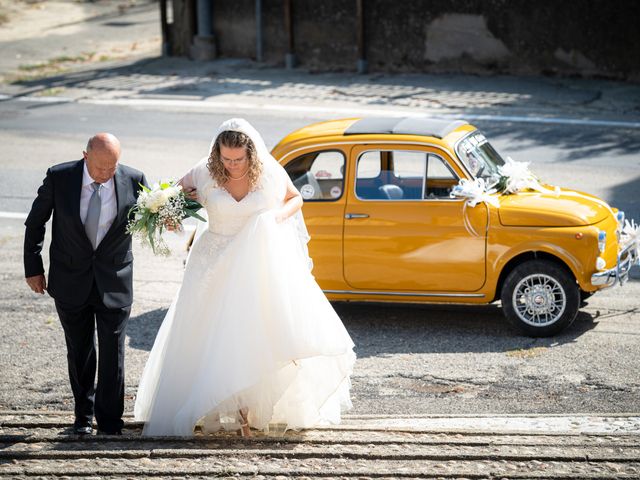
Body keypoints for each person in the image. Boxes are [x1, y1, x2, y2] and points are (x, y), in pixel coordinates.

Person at [134, 118, 356, 437]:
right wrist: (169, 215)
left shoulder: (269, 172)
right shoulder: (203, 172)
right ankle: (215, 407)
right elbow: (170, 199)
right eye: (226, 159)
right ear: (217, 154)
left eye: (239, 159)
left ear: (251, 153)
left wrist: (274, 219)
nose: (233, 165)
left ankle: (249, 412)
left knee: (252, 333)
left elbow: (296, 198)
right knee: (211, 335)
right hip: (213, 263)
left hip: (256, 262)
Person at [24, 133, 147, 435]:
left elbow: (153, 215)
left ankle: (109, 421)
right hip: (70, 279)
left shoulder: (134, 179)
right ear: (85, 155)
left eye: (112, 168)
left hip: (115, 280)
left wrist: (170, 219)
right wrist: (33, 267)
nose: (106, 174)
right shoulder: (60, 177)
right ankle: (83, 416)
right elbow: (36, 222)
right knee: (79, 351)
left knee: (112, 351)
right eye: (100, 167)